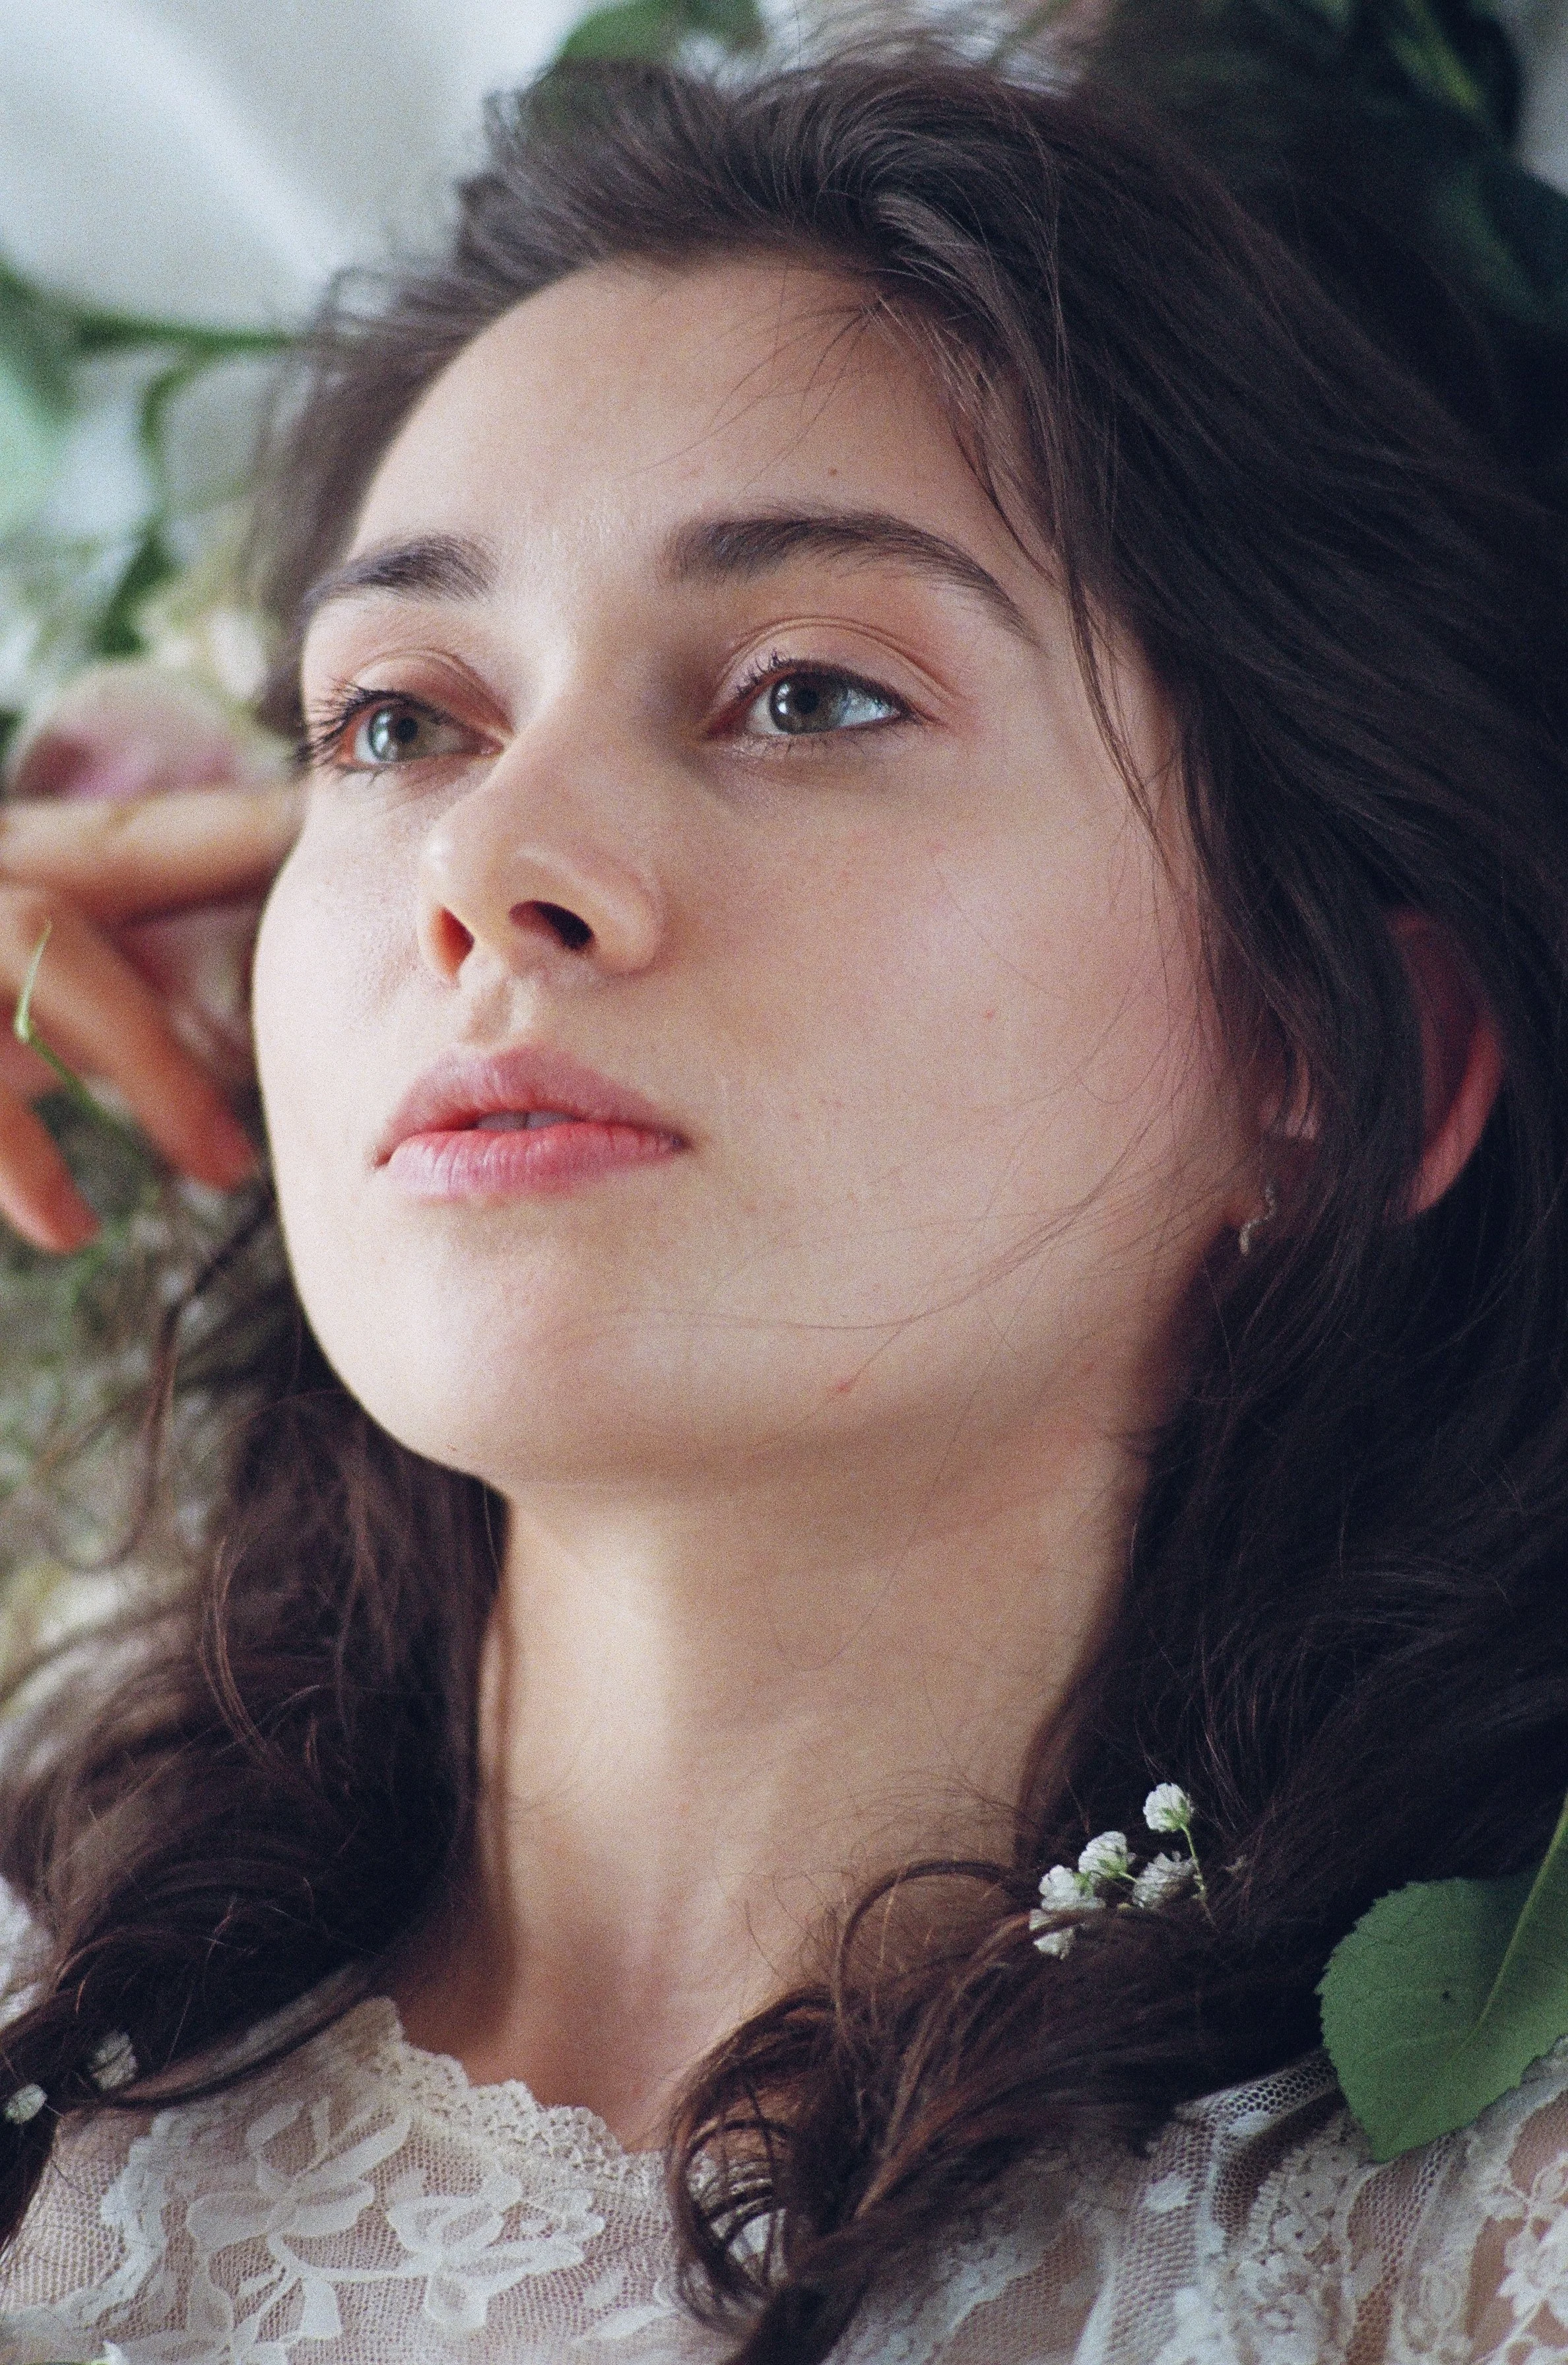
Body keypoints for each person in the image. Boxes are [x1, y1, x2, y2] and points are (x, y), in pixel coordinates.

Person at [0, 36, 1565, 2364]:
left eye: (807, 694)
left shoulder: (1455, 2250)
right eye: (399, 719)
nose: (489, 871)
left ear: (1332, 1057)